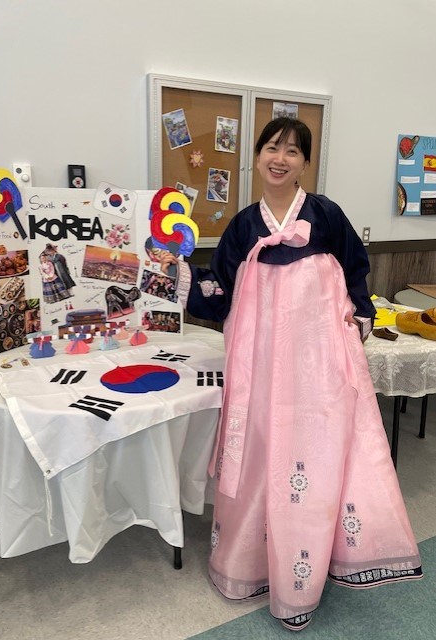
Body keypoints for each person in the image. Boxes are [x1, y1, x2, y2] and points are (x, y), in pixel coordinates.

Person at [161, 118, 422, 631]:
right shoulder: (241, 225)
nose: (280, 158)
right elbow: (221, 294)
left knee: (321, 447)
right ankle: (252, 563)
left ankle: (314, 566)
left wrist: (360, 314)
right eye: (271, 148)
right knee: (263, 447)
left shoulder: (326, 215)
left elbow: (355, 270)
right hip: (260, 363)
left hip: (317, 360)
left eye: (292, 151)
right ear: (256, 156)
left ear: (306, 162)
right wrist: (181, 273)